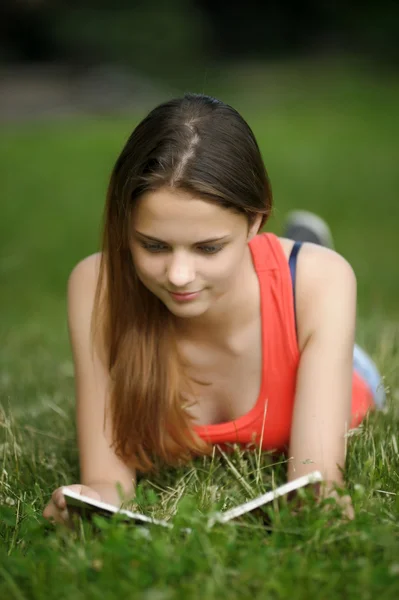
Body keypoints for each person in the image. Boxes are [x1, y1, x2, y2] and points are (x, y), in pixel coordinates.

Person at [42, 93, 385, 526]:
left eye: (208, 247)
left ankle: (302, 258)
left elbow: (314, 484)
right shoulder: (97, 285)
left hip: (328, 352)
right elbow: (109, 481)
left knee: (322, 287)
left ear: (256, 221)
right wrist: (88, 502)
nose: (179, 275)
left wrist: (322, 502)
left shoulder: (326, 282)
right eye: (153, 245)